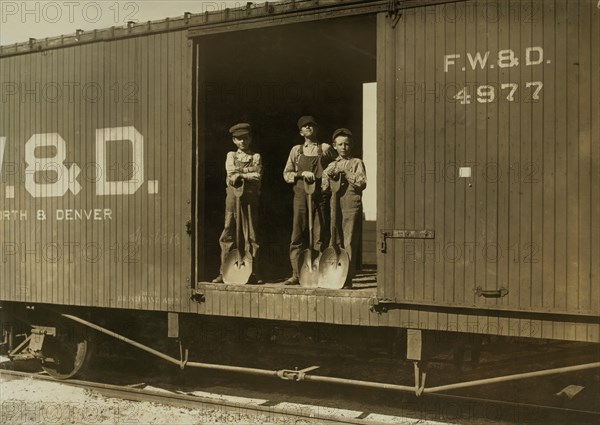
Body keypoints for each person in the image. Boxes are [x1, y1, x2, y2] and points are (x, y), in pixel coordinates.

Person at [282, 116, 337, 285]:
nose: (308, 127)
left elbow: (336, 164)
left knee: (319, 235)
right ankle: (297, 274)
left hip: (320, 195)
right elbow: (286, 174)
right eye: (305, 126)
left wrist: (327, 173)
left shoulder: (325, 148)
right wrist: (301, 174)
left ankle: (319, 273)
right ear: (301, 132)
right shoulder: (296, 150)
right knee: (298, 233)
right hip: (301, 195)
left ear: (317, 128)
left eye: (312, 125)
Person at [213, 123, 262, 284]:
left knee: (251, 234)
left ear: (250, 138)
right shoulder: (231, 156)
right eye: (239, 139)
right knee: (229, 231)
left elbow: (258, 175)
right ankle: (224, 271)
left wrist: (241, 174)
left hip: (249, 198)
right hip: (233, 199)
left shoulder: (256, 157)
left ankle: (253, 272)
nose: (243, 142)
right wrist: (247, 172)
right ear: (234, 140)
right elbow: (231, 174)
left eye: (245, 138)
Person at [322, 128, 367, 288]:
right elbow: (324, 187)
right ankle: (335, 275)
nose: (344, 147)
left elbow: (362, 183)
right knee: (335, 238)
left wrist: (345, 171)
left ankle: (348, 277)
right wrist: (327, 176)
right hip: (335, 205)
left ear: (351, 145)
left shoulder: (356, 163)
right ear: (334, 146)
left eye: (347, 144)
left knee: (349, 240)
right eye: (340, 144)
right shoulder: (331, 165)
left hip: (351, 204)